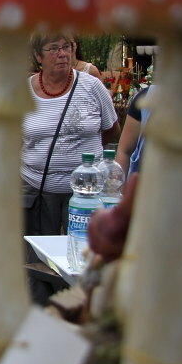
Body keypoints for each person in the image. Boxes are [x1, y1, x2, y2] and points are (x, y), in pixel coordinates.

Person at [23, 32, 119, 303]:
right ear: (39, 57)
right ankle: (41, 314)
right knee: (37, 261)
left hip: (86, 193)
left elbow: (111, 130)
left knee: (84, 257)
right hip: (36, 189)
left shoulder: (92, 86)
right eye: (53, 48)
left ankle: (83, 312)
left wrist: (82, 159)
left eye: (67, 46)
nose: (62, 53)